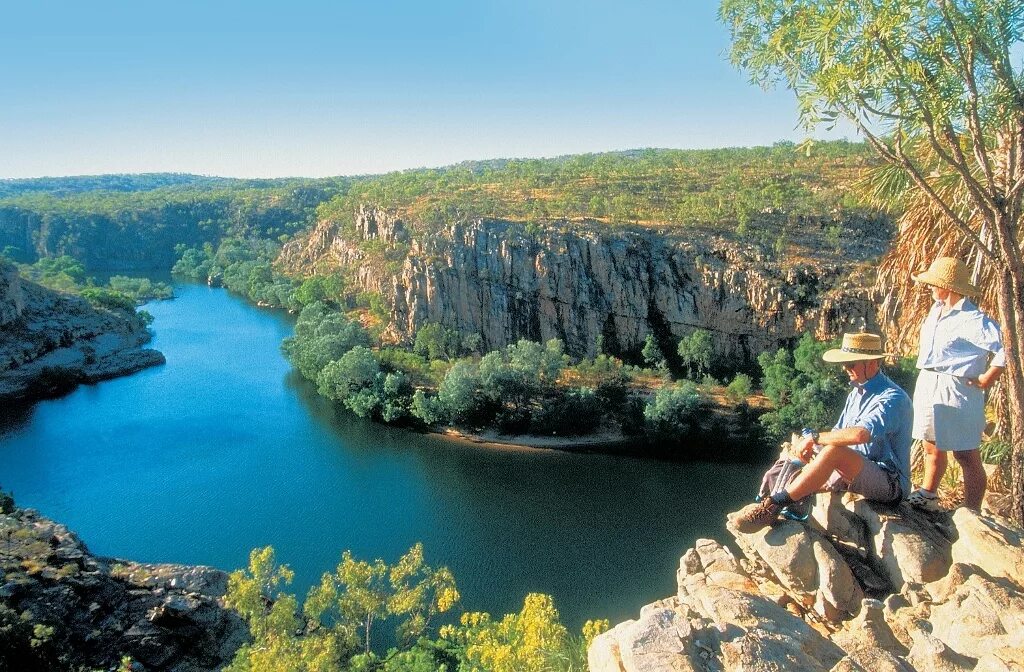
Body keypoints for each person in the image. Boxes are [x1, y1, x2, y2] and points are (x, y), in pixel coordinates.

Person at [734, 332, 912, 533]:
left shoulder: (892, 398)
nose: (846, 369)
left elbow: (860, 435)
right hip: (857, 469)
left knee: (832, 452)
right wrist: (810, 445)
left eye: (851, 363)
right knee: (798, 451)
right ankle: (772, 499)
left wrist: (815, 438)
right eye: (845, 364)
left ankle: (774, 505)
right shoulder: (857, 392)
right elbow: (839, 432)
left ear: (873, 363)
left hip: (890, 482)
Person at [906, 257, 1004, 513]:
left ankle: (972, 511)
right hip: (929, 380)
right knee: (930, 443)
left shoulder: (973, 319)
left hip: (956, 386)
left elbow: (1007, 347)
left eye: (934, 284)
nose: (930, 288)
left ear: (947, 286)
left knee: (965, 453)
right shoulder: (936, 310)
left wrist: (987, 377)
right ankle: (928, 493)